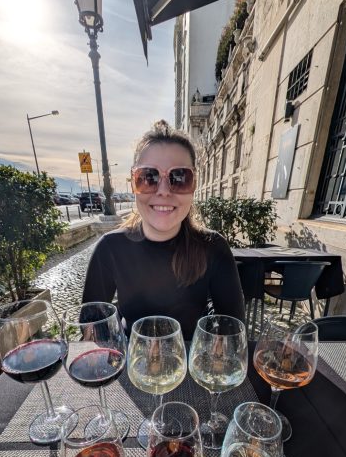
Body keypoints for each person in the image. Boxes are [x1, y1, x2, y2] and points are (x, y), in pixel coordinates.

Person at [82, 120, 245, 341]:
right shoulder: (110, 248)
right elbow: (92, 326)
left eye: (179, 177)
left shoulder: (213, 247)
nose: (164, 191)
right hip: (132, 363)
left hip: (191, 362)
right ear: (134, 184)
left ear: (194, 183)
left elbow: (232, 329)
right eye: (148, 177)